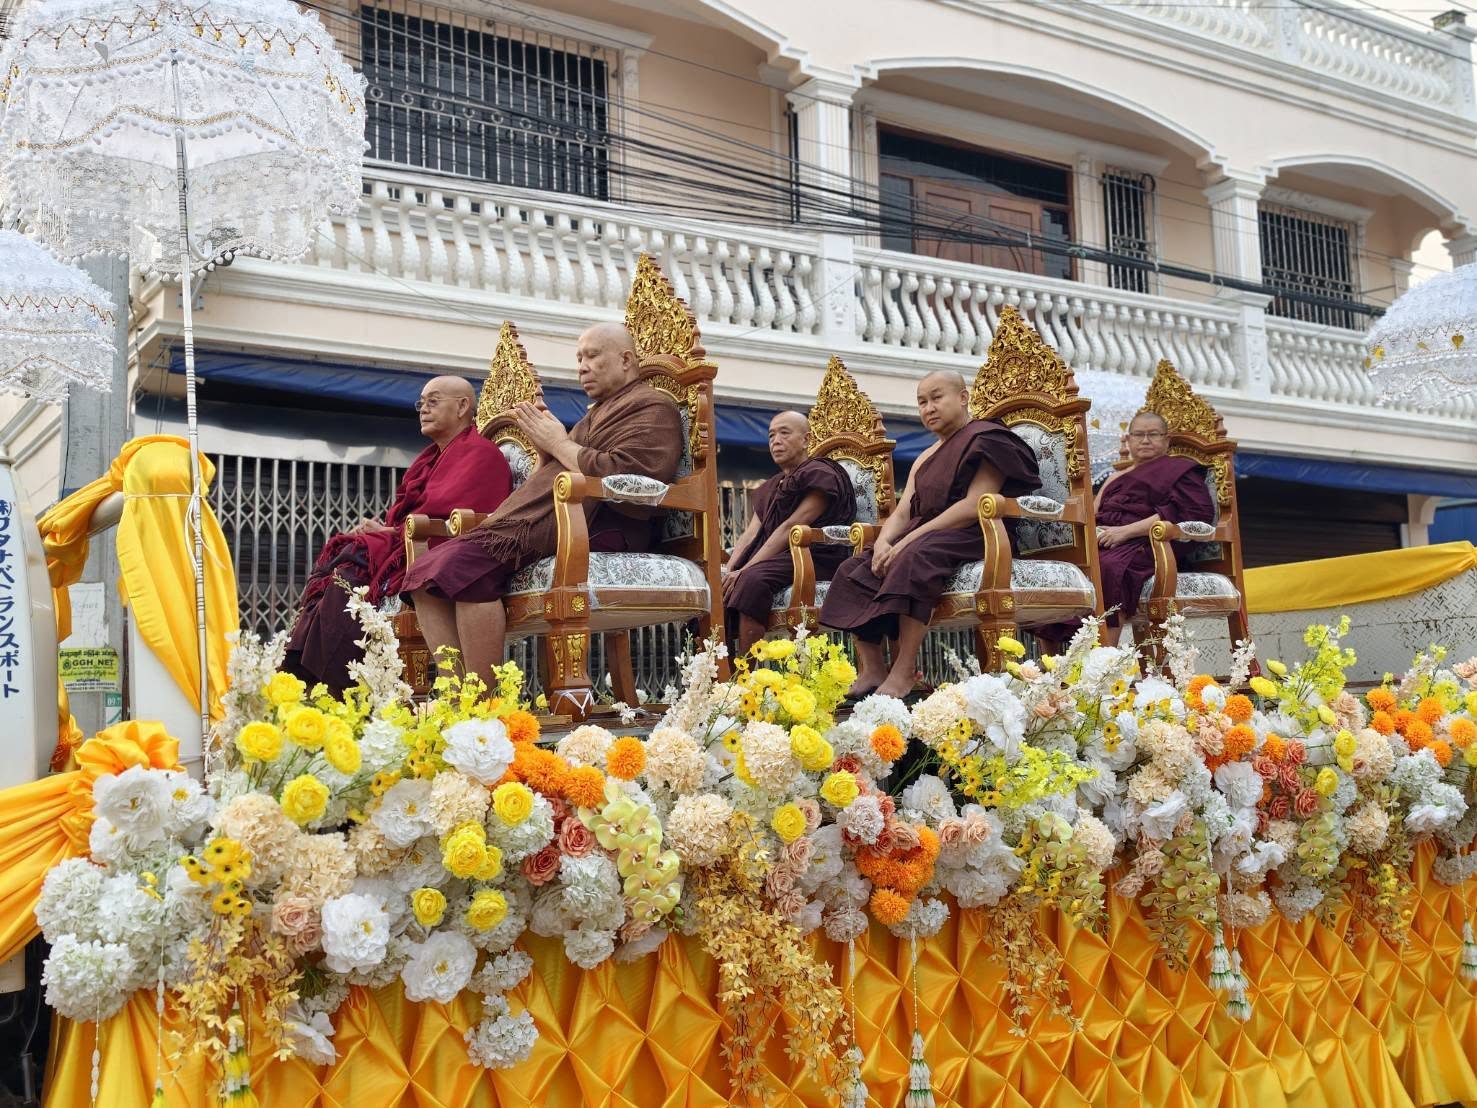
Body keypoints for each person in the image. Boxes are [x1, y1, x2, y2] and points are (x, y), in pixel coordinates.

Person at [401, 323, 683, 683]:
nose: (581, 366)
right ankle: (459, 694)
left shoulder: (653, 406)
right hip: (561, 516)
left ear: (626, 360)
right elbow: (555, 471)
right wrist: (548, 447)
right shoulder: (595, 413)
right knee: (423, 574)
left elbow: (632, 476)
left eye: (592, 356)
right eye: (579, 357)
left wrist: (559, 443)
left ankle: (484, 702)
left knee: (462, 565)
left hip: (602, 523)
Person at [284, 376, 512, 693]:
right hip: (413, 544)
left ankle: (344, 682)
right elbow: (414, 513)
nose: (423, 410)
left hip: (450, 550)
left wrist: (390, 533)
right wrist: (388, 531)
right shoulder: (428, 459)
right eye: (421, 403)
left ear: (462, 406)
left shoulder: (480, 454)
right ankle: (318, 674)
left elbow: (453, 518)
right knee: (341, 571)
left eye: (433, 401)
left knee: (353, 571)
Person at [821, 370, 1040, 698]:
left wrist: (906, 541)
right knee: (853, 569)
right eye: (922, 402)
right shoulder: (925, 457)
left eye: (937, 398)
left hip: (977, 532)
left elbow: (973, 505)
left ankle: (905, 669)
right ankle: (873, 668)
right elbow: (903, 510)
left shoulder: (987, 438)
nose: (928, 408)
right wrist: (883, 542)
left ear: (963, 397)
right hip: (927, 534)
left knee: (915, 555)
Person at [723, 411, 856, 658]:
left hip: (815, 556)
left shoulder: (820, 474)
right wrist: (730, 568)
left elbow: (792, 526)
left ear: (806, 439)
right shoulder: (771, 487)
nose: (776, 440)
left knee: (751, 580)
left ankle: (745, 673)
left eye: (785, 433)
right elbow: (751, 534)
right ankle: (718, 673)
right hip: (779, 557)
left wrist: (745, 570)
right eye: (771, 435)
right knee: (720, 584)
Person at [1091, 409, 1216, 645]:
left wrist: (1125, 532)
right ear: (1128, 440)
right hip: (1108, 540)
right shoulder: (1114, 476)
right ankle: (1062, 661)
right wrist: (1095, 533)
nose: (1145, 440)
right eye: (1138, 434)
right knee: (1079, 563)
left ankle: (1103, 658)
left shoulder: (1179, 469)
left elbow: (1193, 514)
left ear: (1166, 440)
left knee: (1107, 566)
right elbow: (1094, 514)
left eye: (1153, 434)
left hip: (1150, 545)